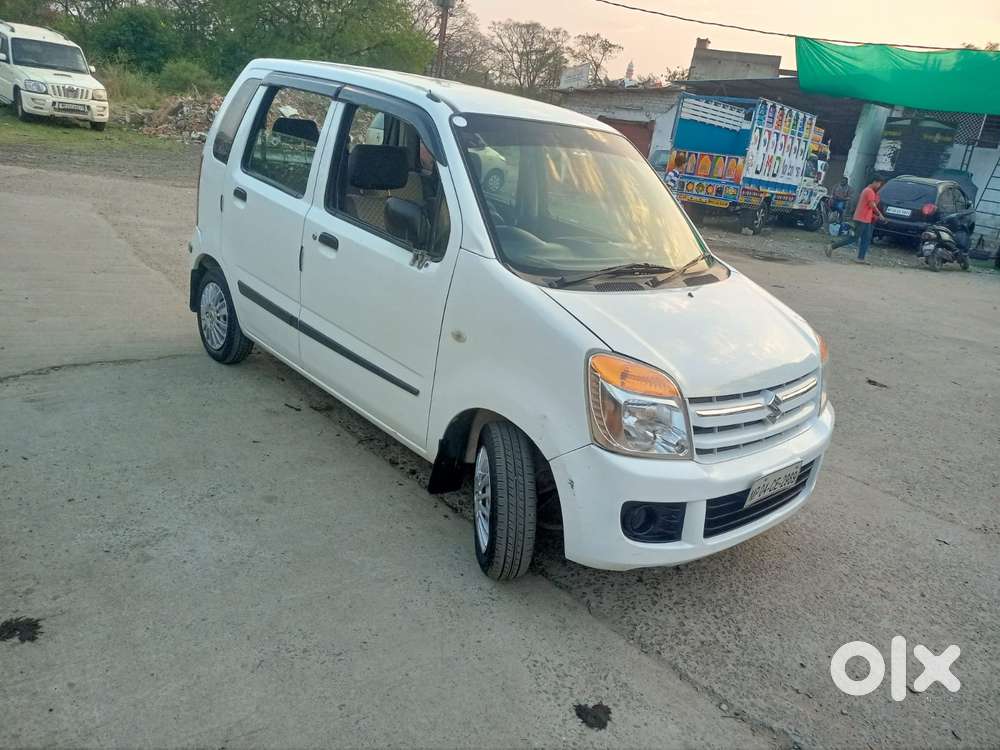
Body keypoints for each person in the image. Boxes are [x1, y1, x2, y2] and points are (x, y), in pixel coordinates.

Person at [826, 174, 886, 264]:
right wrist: (880, 214)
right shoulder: (869, 191)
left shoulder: (868, 190)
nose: (879, 186)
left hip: (865, 219)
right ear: (875, 182)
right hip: (862, 218)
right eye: (879, 184)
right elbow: (872, 205)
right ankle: (832, 246)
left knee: (866, 239)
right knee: (853, 238)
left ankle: (861, 258)